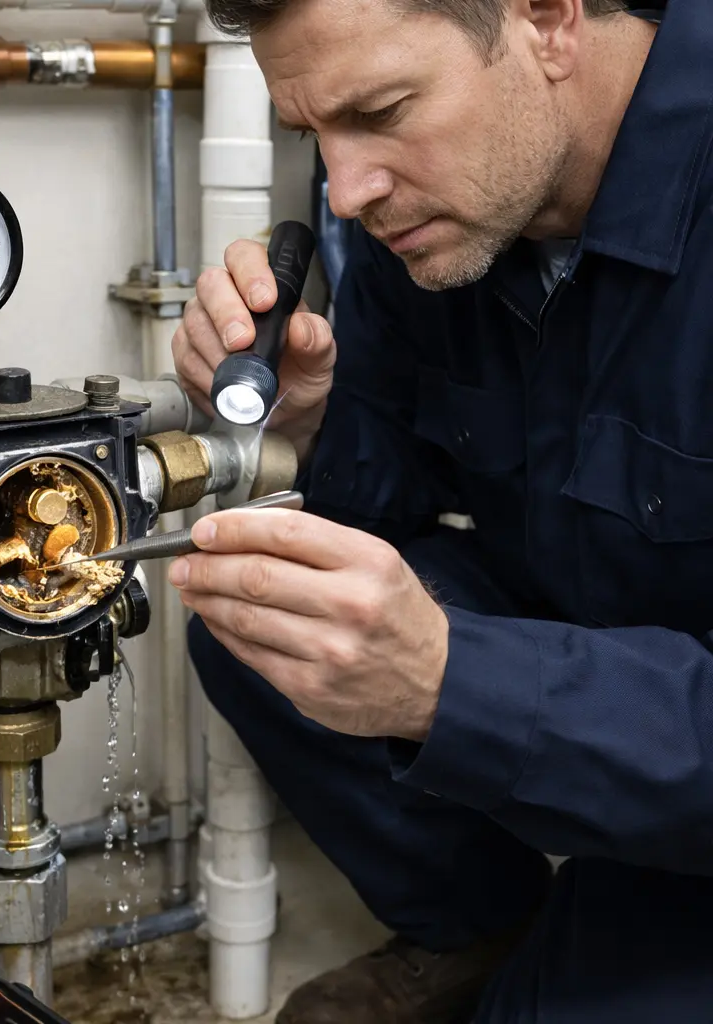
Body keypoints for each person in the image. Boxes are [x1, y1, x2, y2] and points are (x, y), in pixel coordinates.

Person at [170, 0, 713, 1021]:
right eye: (315, 137)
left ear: (548, 20)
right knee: (271, 623)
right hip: (606, 659)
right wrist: (314, 420)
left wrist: (451, 686)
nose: (347, 188)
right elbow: (402, 487)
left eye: (381, 111)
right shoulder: (432, 216)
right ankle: (480, 927)